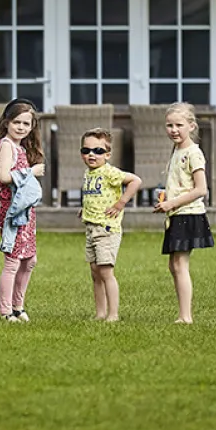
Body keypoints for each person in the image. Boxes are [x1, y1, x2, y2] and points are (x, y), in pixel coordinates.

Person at [151, 102, 213, 324]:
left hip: (188, 214)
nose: (174, 130)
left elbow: (200, 189)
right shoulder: (177, 150)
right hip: (176, 213)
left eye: (179, 125)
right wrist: (166, 200)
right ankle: (182, 313)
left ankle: (186, 316)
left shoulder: (193, 153)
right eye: (169, 125)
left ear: (191, 126)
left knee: (180, 265)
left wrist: (172, 203)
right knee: (174, 265)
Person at [79, 128, 141, 322]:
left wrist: (121, 202)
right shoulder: (89, 173)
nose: (91, 155)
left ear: (107, 155)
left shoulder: (109, 172)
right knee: (95, 272)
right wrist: (85, 209)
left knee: (106, 272)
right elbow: (95, 196)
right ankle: (100, 313)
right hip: (91, 227)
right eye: (86, 150)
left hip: (106, 229)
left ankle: (113, 314)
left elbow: (135, 181)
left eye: (97, 151)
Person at [0, 98, 45, 322]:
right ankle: (6, 311)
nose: (21, 127)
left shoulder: (20, 147)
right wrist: (31, 172)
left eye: (26, 124)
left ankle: (18, 306)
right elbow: (4, 177)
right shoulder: (5, 146)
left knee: (29, 259)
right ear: (6, 123)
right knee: (13, 260)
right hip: (11, 211)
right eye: (17, 122)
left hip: (24, 210)